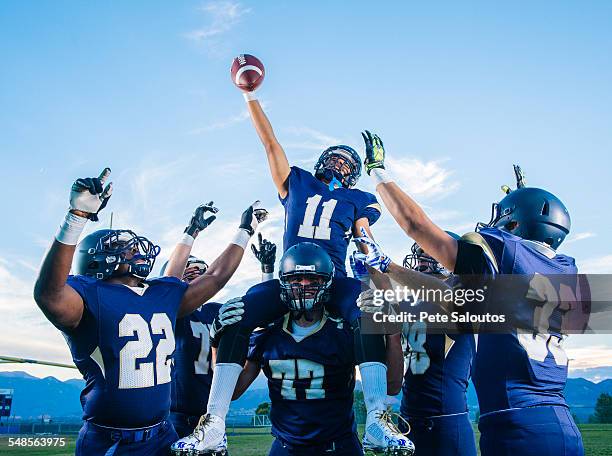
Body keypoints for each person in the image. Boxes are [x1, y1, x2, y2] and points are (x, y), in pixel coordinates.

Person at [358, 133, 586, 456]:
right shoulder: (565, 269)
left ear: (515, 223)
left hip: (516, 427)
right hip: (561, 422)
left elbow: (415, 224)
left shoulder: (503, 251)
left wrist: (378, 171)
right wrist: (387, 269)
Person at [33, 168, 267, 456]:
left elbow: (216, 277)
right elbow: (49, 294)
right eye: (122, 246)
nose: (135, 248)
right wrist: (76, 217)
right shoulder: (88, 294)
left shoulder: (159, 294)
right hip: (111, 439)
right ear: (97, 260)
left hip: (162, 432)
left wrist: (244, 231)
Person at [236, 243, 414, 455]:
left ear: (327, 282)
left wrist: (393, 333)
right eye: (296, 279)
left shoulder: (344, 330)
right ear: (283, 282)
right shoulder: (268, 332)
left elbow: (392, 387)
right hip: (285, 447)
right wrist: (216, 343)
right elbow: (234, 391)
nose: (304, 285)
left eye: (313, 279)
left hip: (338, 447)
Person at [397, 235, 477, 456]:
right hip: (408, 421)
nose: (420, 263)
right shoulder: (411, 306)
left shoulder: (463, 299)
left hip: (445, 425)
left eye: (428, 255)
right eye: (419, 256)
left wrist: (386, 267)